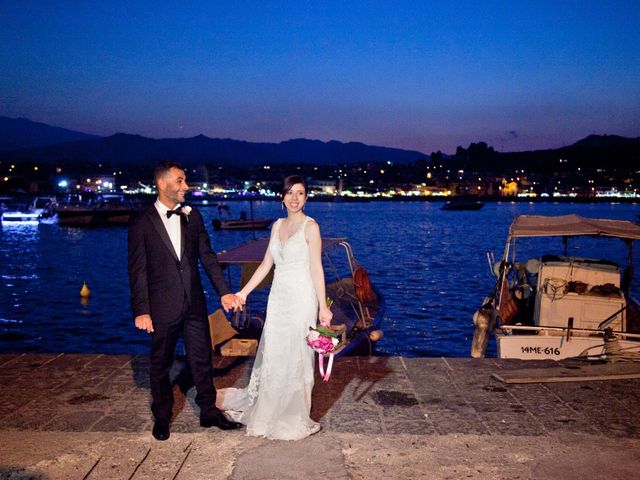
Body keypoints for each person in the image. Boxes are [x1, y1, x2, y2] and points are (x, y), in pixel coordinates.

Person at [128, 161, 243, 441]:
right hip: (161, 308)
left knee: (202, 359)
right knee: (161, 365)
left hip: (194, 305)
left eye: (185, 180)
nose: (186, 186)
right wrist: (142, 310)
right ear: (162, 184)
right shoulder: (142, 222)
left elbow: (208, 257)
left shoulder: (194, 217)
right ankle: (162, 417)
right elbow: (138, 270)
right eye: (179, 181)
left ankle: (208, 412)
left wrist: (224, 292)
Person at [217, 175, 333, 440]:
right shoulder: (276, 225)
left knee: (297, 354)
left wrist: (323, 307)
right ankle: (269, 409)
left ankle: (294, 414)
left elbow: (316, 267)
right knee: (275, 352)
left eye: (300, 193)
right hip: (278, 297)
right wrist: (243, 293)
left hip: (302, 296)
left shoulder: (311, 227)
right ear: (282, 196)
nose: (294, 198)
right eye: (290, 192)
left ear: (306, 198)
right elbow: (266, 264)